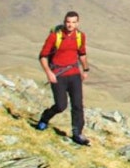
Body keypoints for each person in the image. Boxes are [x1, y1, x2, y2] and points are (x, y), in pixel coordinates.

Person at [34, 10, 91, 145]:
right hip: (58, 75)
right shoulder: (55, 36)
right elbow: (43, 56)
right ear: (64, 22)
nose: (70, 25)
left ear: (77, 23)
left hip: (74, 74)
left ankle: (77, 134)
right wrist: (49, 72)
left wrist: (85, 69)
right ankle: (45, 117)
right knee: (61, 105)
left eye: (73, 22)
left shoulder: (80, 36)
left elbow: (82, 54)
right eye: (68, 22)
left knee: (78, 105)